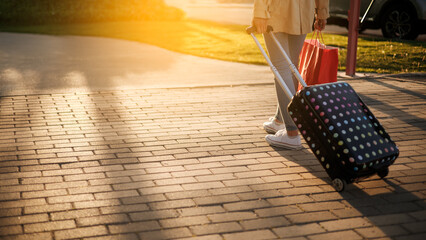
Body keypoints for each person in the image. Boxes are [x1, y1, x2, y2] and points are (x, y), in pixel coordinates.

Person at [252, 0, 329, 149]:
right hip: (303, 14)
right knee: (291, 66)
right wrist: (322, 12)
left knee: (281, 68)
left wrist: (260, 12)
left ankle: (291, 132)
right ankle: (280, 120)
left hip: (277, 12)